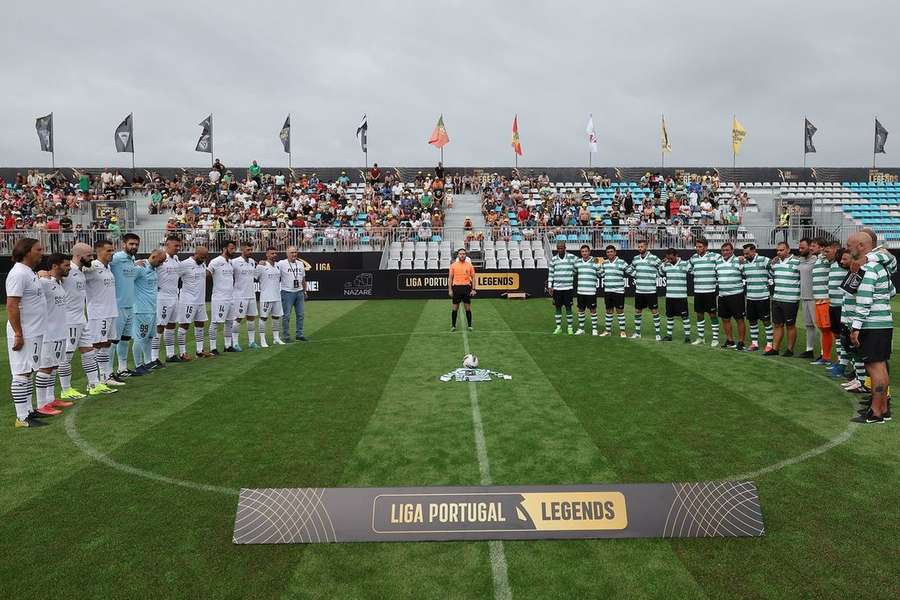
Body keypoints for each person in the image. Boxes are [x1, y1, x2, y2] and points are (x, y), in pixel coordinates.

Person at [847, 231, 893, 423]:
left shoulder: (868, 268)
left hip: (872, 325)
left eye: (850, 245)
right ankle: (882, 409)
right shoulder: (881, 267)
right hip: (883, 323)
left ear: (860, 246)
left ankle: (875, 412)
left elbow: (864, 301)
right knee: (880, 367)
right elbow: (892, 291)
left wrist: (856, 327)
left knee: (874, 368)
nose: (847, 249)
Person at [6, 238, 48, 428]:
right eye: (38, 249)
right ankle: (21, 417)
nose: (42, 252)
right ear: (27, 251)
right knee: (21, 373)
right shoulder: (18, 274)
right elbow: (12, 304)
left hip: (35, 330)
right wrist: (18, 333)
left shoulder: (28, 272)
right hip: (25, 331)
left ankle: (29, 411)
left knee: (28, 371)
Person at [34, 254, 74, 416]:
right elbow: (29, 287)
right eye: (66, 265)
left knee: (54, 367)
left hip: (59, 332)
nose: (69, 267)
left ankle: (50, 399)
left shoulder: (58, 283)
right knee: (45, 368)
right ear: (55, 266)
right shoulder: (43, 283)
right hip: (47, 333)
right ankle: (41, 404)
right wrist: (38, 274)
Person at [84, 239, 125, 388]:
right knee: (97, 345)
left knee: (106, 344)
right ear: (98, 251)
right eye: (108, 250)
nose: (112, 253)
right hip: (98, 313)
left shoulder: (107, 268)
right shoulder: (93, 267)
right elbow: (76, 271)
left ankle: (105, 376)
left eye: (112, 250)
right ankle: (93, 381)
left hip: (110, 312)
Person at [110, 233, 140, 379]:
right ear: (124, 244)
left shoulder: (131, 259)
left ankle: (122, 369)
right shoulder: (115, 258)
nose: (134, 246)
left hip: (130, 305)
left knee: (125, 339)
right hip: (118, 305)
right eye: (131, 244)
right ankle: (108, 373)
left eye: (136, 244)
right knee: (113, 340)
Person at [131, 250, 167, 375]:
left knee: (149, 337)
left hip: (151, 309)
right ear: (154, 256)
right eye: (160, 261)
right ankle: (138, 365)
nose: (161, 264)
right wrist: (133, 264)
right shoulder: (140, 267)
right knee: (140, 338)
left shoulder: (153, 269)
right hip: (141, 309)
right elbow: (127, 280)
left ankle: (148, 362)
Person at [176, 246, 211, 359]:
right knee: (184, 325)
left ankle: (199, 351)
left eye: (205, 257)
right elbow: (174, 276)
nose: (204, 259)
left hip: (200, 300)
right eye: (202, 257)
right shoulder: (185, 264)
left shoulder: (202, 264)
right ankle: (182, 353)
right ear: (196, 254)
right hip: (188, 301)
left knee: (200, 324)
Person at [153, 235, 182, 367]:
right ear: (167, 245)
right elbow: (148, 263)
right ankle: (154, 357)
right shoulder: (160, 257)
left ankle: (170, 355)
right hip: (162, 297)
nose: (178, 248)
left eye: (179, 245)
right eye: (175, 245)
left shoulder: (176, 259)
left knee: (171, 325)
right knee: (159, 326)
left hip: (174, 297)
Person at [687, 237, 721, 346]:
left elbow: (722, 264)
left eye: (700, 247)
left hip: (710, 291)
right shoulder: (694, 257)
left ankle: (715, 338)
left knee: (712, 314)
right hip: (698, 291)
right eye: (696, 246)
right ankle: (701, 338)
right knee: (699, 314)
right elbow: (688, 268)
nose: (698, 248)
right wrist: (696, 272)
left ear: (706, 247)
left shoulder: (714, 256)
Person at [625, 240, 662, 340]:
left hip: (651, 291)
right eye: (639, 247)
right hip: (639, 291)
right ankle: (637, 333)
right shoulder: (635, 259)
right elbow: (630, 268)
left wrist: (655, 275)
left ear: (646, 247)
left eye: (642, 246)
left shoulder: (654, 258)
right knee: (637, 311)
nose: (640, 248)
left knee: (654, 311)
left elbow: (662, 268)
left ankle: (658, 334)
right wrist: (635, 274)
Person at [769, 241, 801, 356]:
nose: (779, 252)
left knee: (790, 325)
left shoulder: (798, 262)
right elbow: (771, 275)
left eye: (781, 250)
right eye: (777, 250)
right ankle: (775, 349)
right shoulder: (775, 263)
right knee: (777, 324)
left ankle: (790, 350)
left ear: (788, 250)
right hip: (777, 298)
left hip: (791, 300)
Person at [741, 243, 773, 353]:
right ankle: (754, 343)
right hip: (750, 297)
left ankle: (770, 344)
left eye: (747, 253)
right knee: (752, 321)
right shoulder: (744, 263)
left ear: (754, 251)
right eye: (744, 253)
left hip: (763, 297)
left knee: (766, 321)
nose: (745, 255)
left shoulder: (764, 260)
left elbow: (773, 269)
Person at [207, 240, 237, 354]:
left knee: (229, 322)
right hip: (219, 297)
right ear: (224, 249)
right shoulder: (215, 261)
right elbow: (208, 273)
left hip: (230, 297)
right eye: (231, 248)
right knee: (215, 322)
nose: (233, 250)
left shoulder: (230, 262)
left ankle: (228, 345)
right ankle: (213, 348)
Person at [715, 242, 746, 350]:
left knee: (739, 319)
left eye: (727, 250)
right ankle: (730, 340)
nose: (725, 252)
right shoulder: (718, 262)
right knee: (725, 319)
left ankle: (741, 341)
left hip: (736, 295)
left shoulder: (738, 260)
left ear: (732, 250)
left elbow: (746, 271)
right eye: (723, 250)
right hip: (723, 295)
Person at [826, 243, 849, 377]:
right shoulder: (832, 264)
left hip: (842, 305)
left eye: (828, 251)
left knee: (843, 335)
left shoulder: (845, 265)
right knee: (836, 334)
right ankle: (840, 361)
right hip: (833, 304)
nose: (825, 253)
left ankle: (843, 364)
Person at [810, 238, 834, 365]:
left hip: (826, 300)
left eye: (813, 246)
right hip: (818, 300)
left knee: (829, 329)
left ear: (821, 247)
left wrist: (826, 253)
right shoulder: (818, 260)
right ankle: (825, 356)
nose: (811, 248)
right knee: (823, 330)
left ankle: (829, 357)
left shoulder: (826, 258)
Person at [659, 248, 691, 342]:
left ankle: (687, 337)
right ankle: (669, 335)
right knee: (669, 316)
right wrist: (663, 264)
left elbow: (693, 271)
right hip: (669, 296)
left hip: (681, 296)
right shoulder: (666, 265)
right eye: (668, 258)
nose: (670, 260)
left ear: (676, 255)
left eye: (671, 258)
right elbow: (660, 274)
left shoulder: (685, 264)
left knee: (685, 317)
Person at [232, 241, 260, 348]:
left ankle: (251, 342)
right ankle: (235, 343)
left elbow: (256, 275)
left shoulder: (252, 261)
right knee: (238, 319)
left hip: (251, 295)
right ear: (242, 250)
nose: (250, 251)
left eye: (251, 249)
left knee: (251, 319)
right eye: (248, 250)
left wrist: (261, 265)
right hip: (240, 295)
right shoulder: (235, 262)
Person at [256, 247, 286, 346]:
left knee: (276, 317)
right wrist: (258, 264)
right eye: (272, 253)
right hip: (266, 297)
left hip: (277, 296)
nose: (274, 255)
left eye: (275, 253)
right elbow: (254, 276)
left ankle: (276, 338)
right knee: (263, 318)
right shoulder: (261, 266)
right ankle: (262, 340)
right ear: (267, 254)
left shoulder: (278, 266)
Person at [277, 246, 307, 342]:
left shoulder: (301, 264)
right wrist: (263, 263)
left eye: (295, 252)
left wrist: (305, 291)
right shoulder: (282, 263)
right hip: (287, 292)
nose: (294, 254)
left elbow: (303, 279)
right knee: (286, 316)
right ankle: (286, 336)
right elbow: (272, 266)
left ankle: (300, 334)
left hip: (299, 292)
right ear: (287, 254)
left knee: (300, 315)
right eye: (292, 252)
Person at [795, 237, 819, 359]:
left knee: (819, 326)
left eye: (802, 247)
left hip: (815, 298)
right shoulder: (801, 260)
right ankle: (809, 349)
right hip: (804, 297)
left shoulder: (817, 260)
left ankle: (823, 353)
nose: (800, 250)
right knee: (809, 325)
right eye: (799, 247)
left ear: (810, 247)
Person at [547, 240, 576, 334]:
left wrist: (573, 273)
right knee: (558, 307)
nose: (560, 250)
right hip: (557, 288)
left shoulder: (572, 257)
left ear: (565, 248)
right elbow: (551, 273)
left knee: (568, 308)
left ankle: (570, 328)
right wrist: (550, 286)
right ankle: (558, 327)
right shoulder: (554, 259)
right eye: (558, 248)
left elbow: (580, 263)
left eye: (561, 248)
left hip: (568, 288)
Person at [599, 245, 628, 337]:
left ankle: (622, 331)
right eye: (608, 252)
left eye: (611, 251)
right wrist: (594, 266)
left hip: (618, 291)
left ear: (615, 252)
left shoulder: (622, 262)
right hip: (608, 290)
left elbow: (631, 271)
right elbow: (600, 274)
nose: (609, 253)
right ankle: (608, 331)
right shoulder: (605, 263)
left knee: (620, 311)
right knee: (608, 311)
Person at [572, 245, 601, 336]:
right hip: (580, 291)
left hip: (591, 291)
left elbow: (601, 274)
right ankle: (581, 329)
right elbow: (573, 272)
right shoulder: (578, 262)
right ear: (581, 253)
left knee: (593, 310)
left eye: (586, 251)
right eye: (582, 252)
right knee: (581, 310)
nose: (584, 253)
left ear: (589, 252)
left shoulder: (595, 260)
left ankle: (594, 329)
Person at [448, 248, 477, 331]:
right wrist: (450, 290)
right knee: (454, 308)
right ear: (458, 255)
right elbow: (450, 278)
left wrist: (473, 289)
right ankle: (453, 326)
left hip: (466, 288)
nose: (462, 255)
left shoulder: (469, 265)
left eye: (463, 254)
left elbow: (473, 278)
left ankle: (470, 325)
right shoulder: (453, 265)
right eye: (460, 254)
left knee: (467, 308)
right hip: (456, 288)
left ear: (465, 255)